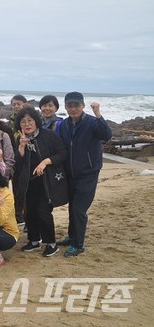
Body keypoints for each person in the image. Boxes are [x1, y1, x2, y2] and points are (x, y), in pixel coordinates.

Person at [57, 92, 112, 257]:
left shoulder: (92, 123)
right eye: (70, 106)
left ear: (82, 106)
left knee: (79, 209)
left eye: (76, 105)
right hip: (70, 174)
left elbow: (106, 135)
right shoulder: (64, 124)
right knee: (72, 207)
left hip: (88, 173)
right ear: (66, 107)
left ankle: (78, 244)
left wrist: (98, 114)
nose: (73, 109)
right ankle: (72, 236)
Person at [14, 107, 67, 257]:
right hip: (29, 183)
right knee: (29, 212)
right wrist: (22, 147)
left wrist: (45, 162)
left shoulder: (48, 135)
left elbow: (62, 153)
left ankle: (52, 244)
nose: (27, 124)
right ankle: (34, 241)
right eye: (23, 121)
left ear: (36, 121)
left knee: (43, 212)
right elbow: (18, 163)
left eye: (30, 120)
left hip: (46, 181)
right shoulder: (20, 139)